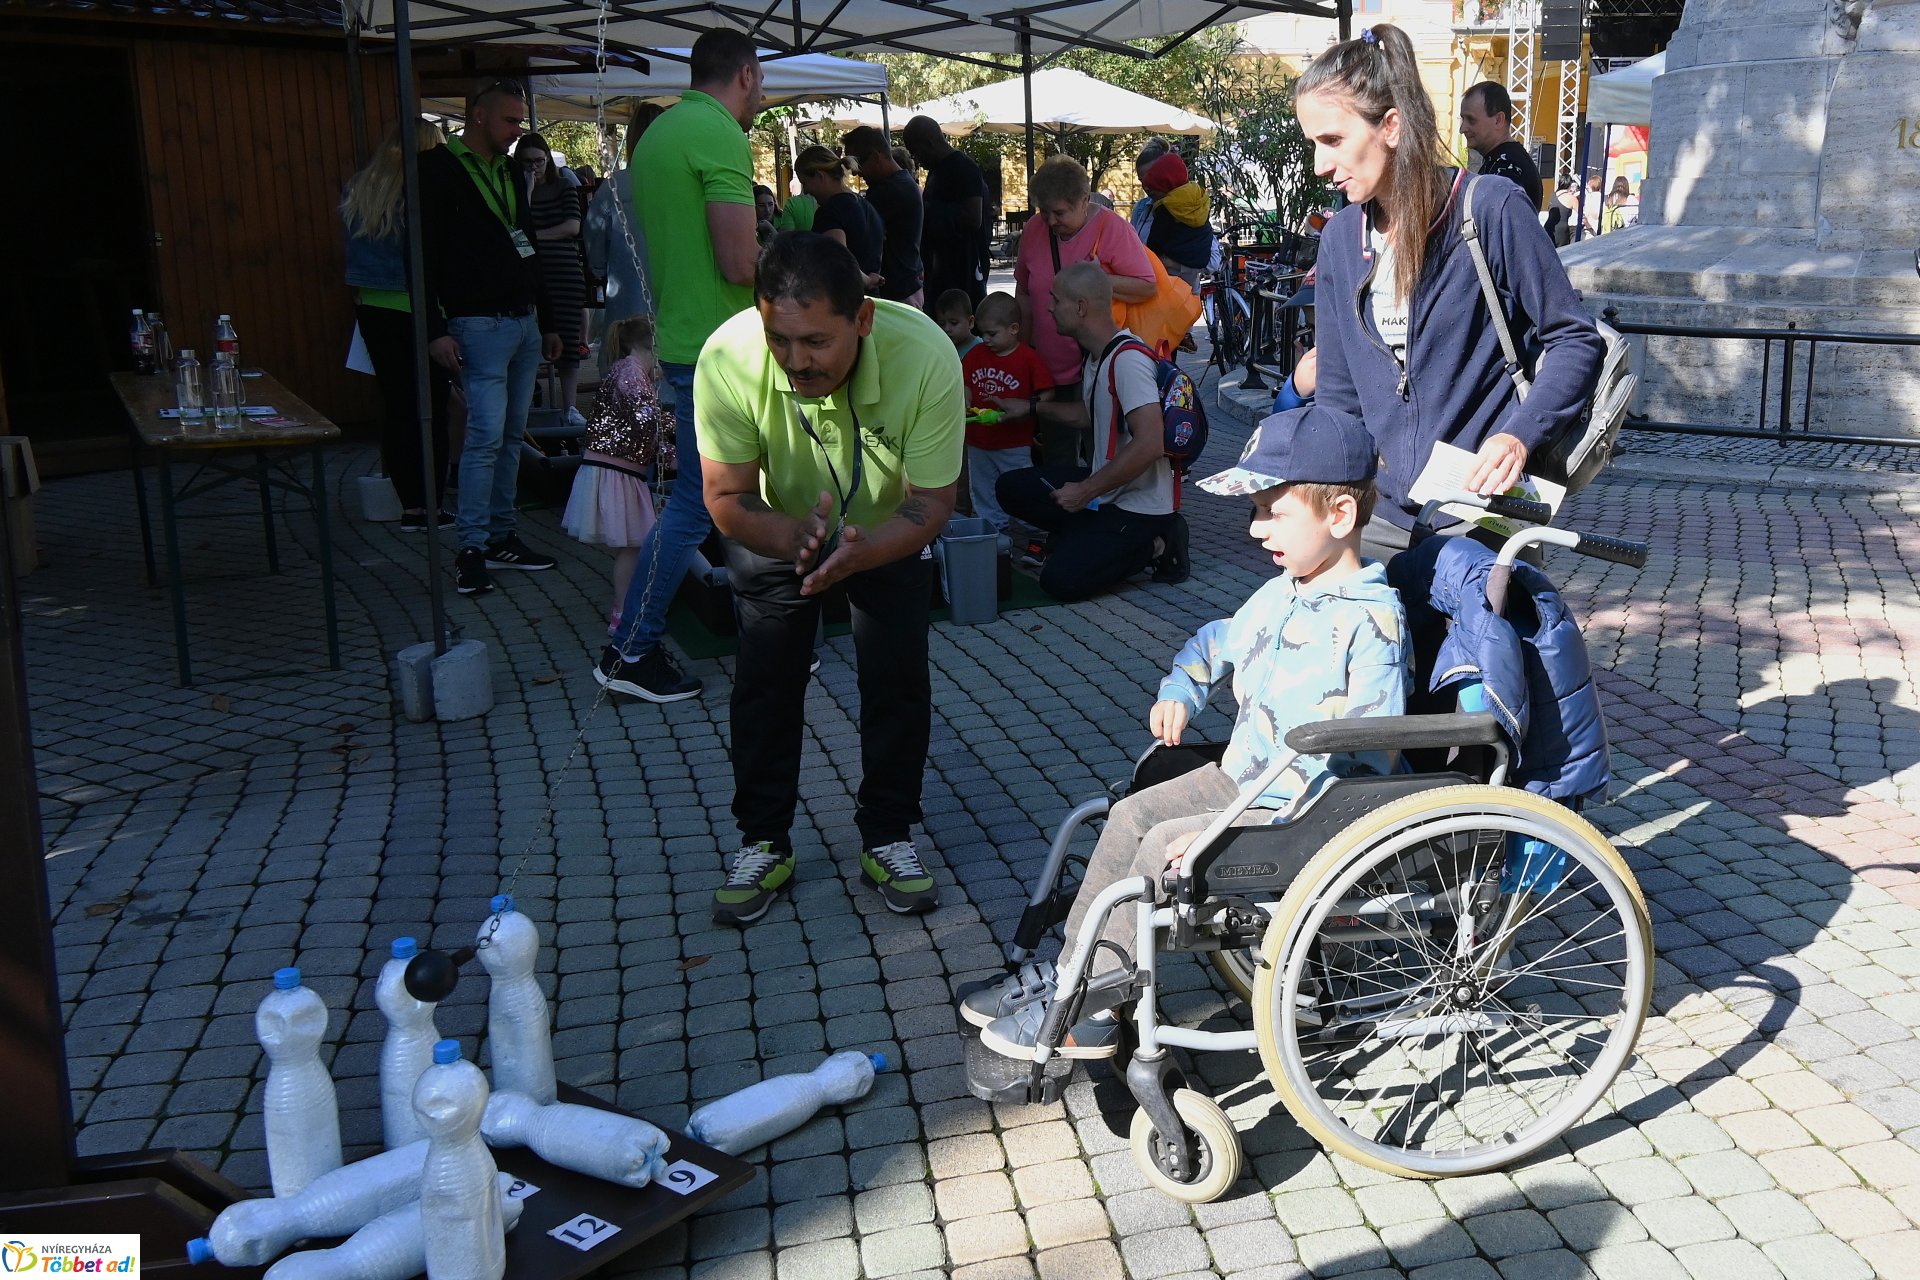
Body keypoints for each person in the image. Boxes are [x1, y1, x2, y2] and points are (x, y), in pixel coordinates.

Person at [960, 406, 1411, 1058]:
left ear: (1339, 515)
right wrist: (1182, 688)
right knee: (1127, 817)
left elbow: (1362, 749)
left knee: (1157, 850)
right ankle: (1070, 973)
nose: (1255, 530)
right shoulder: (1285, 591)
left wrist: (1224, 828)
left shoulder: (1371, 625)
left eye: (1271, 512)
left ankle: (1095, 1002)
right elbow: (1217, 640)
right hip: (1243, 783)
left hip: (1301, 814)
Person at [695, 232, 964, 925]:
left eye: (815, 342)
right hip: (775, 524)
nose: (794, 362)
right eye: (779, 340)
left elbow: (933, 503)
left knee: (897, 678)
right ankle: (763, 842)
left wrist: (866, 550)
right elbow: (725, 498)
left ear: (864, 319)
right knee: (766, 682)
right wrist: (791, 538)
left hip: (887, 530)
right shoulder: (727, 356)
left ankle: (888, 836)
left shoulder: (927, 355)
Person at [1296, 24, 1603, 563]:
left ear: (1391, 126)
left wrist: (1518, 436)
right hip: (1381, 520)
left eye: (1333, 140)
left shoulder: (1490, 208)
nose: (1320, 165)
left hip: (1481, 513)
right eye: (1313, 144)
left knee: (1482, 648)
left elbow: (1575, 340)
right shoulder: (1341, 241)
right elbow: (1339, 397)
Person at [594, 30, 764, 702]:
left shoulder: (660, 132)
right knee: (704, 503)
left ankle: (770, 634)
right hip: (723, 348)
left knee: (730, 496)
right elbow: (740, 264)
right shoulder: (719, 131)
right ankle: (631, 648)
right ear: (747, 75)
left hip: (687, 343)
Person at [420, 78, 564, 596]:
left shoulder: (509, 171)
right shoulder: (437, 170)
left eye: (520, 120)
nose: (517, 131)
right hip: (476, 324)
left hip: (523, 322)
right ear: (478, 116)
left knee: (509, 436)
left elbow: (528, 247)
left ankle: (502, 535)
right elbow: (424, 255)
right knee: (483, 438)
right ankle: (472, 547)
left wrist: (547, 321)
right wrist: (435, 330)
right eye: (509, 120)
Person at [995, 263, 1180, 600]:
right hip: (1107, 493)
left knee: (1061, 582)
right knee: (1010, 487)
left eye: (1056, 299)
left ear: (1080, 307)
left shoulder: (1128, 360)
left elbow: (1151, 443)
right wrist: (1030, 408)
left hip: (1138, 507)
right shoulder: (1098, 355)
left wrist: (1085, 490)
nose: (1049, 308)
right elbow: (1088, 414)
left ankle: (1158, 544)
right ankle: (1091, 538)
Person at [342, 118, 453, 533]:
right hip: (420, 307)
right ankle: (432, 505)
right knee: (432, 410)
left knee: (398, 407)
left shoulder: (360, 187)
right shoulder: (422, 190)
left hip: (372, 306)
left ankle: (409, 506)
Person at [1013, 155, 1157, 468]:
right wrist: (1022, 350)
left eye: (1060, 212)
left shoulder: (1112, 228)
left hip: (1098, 366)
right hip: (1049, 367)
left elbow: (1147, 286)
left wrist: (1100, 279)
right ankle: (1062, 511)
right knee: (1057, 457)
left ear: (1084, 200)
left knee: (1102, 454)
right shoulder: (1034, 230)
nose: (1050, 222)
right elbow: (1024, 291)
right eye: (1043, 211)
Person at [561, 315, 673, 633]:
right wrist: (685, 427)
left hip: (622, 470)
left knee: (636, 544)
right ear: (653, 348)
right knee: (635, 543)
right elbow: (646, 416)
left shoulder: (630, 372)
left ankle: (627, 609)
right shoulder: (629, 372)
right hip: (616, 470)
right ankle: (623, 614)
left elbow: (647, 425)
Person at [962, 291, 1054, 541]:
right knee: (982, 488)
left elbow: (1047, 393)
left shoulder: (1028, 358)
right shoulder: (976, 354)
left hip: (1014, 443)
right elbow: (966, 381)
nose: (985, 339)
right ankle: (994, 532)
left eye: (992, 334)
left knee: (1022, 486)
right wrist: (966, 397)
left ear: (1014, 328)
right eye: (982, 333)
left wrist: (1028, 407)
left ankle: (1037, 530)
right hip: (979, 440)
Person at [515, 132, 589, 427]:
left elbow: (572, 227)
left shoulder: (564, 186)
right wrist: (527, 192)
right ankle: (525, 404)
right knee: (529, 340)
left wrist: (533, 240)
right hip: (530, 273)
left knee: (568, 341)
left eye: (539, 161)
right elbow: (516, 227)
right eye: (528, 162)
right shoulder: (517, 190)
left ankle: (569, 406)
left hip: (563, 272)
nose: (535, 167)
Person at [585, 104, 663, 377]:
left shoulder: (614, 187)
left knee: (623, 385)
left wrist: (600, 269)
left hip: (626, 300)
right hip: (673, 303)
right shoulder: (687, 185)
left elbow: (593, 241)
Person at [902, 115, 989, 311]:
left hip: (961, 268)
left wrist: (927, 210)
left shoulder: (964, 168)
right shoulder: (937, 171)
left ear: (929, 143)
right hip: (938, 268)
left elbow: (973, 217)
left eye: (916, 151)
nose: (916, 158)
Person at [842, 126, 924, 308]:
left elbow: (854, 231)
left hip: (897, 294)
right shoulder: (899, 183)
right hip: (902, 288)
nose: (855, 172)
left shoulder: (891, 190)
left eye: (857, 163)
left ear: (875, 156)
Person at [795, 145, 884, 289]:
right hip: (872, 300)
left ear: (820, 176)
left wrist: (866, 281)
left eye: (805, 183)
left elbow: (838, 260)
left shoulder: (830, 211)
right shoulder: (866, 206)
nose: (805, 191)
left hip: (844, 301)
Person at [1460, 80, 1543, 208]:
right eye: (1463, 119)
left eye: (1471, 120)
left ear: (1498, 120)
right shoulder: (1507, 159)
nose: (1463, 129)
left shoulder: (1507, 166)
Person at [1138, 151, 1214, 290]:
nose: (1146, 186)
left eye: (1150, 177)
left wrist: (1168, 263)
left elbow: (1213, 262)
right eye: (1141, 179)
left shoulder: (1166, 210)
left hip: (1176, 293)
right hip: (1166, 292)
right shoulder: (1198, 206)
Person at [1128, 137, 1173, 240]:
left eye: (1150, 180)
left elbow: (1213, 253)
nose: (1146, 187)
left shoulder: (1185, 206)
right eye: (1141, 181)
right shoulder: (1140, 208)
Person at [933, 288, 980, 358]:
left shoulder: (981, 348)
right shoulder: (941, 348)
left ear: (970, 322)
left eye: (953, 323)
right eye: (941, 324)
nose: (946, 329)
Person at [1544, 176, 1578, 248]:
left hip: (1548, 227)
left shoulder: (1552, 195)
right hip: (1561, 231)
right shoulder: (1572, 198)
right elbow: (1582, 215)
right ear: (1570, 185)